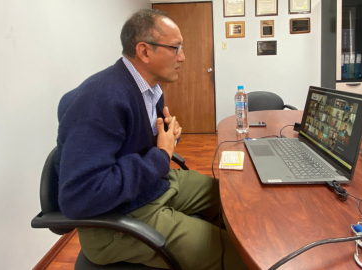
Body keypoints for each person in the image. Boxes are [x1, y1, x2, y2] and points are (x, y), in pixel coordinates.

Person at [55, 9, 247, 270]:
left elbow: (133, 148)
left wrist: (166, 138)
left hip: (152, 188)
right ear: (145, 52)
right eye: (175, 48)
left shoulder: (151, 90)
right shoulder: (101, 100)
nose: (183, 57)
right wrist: (160, 155)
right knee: (233, 254)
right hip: (116, 219)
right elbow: (80, 197)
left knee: (229, 198)